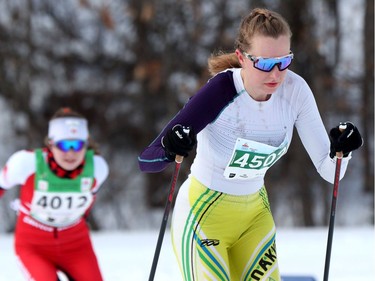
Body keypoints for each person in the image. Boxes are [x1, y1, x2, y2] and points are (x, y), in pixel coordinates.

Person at [138, 7, 363, 281]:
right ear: (242, 58)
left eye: (285, 61)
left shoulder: (296, 92)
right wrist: (170, 148)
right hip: (202, 217)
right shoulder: (219, 92)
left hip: (254, 216)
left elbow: (331, 172)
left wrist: (343, 150)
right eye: (266, 64)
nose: (276, 74)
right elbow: (147, 160)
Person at [0, 107, 109, 281]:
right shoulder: (25, 164)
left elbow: (87, 205)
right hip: (33, 247)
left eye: (78, 145)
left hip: (76, 246)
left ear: (86, 145)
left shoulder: (97, 168)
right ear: (51, 143)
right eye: (64, 145)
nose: (71, 153)